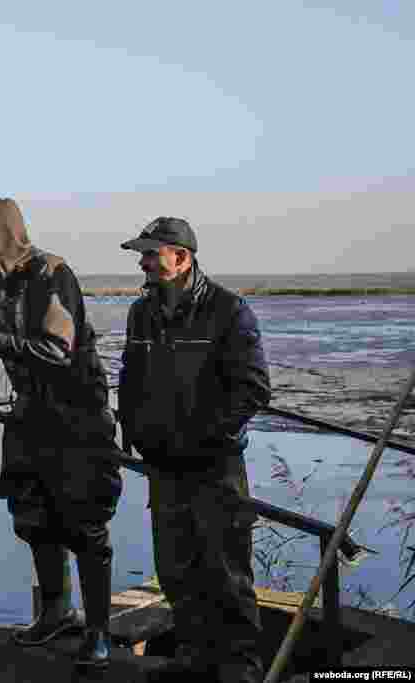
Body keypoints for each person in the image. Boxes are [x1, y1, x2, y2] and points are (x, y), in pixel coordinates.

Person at [0, 197, 123, 669]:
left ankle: (99, 632)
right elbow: (15, 341)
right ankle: (56, 612)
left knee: (85, 524)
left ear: (1, 238)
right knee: (32, 516)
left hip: (76, 422)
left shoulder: (53, 274)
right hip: (30, 419)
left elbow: (55, 350)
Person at [117, 217, 271, 682]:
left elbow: (252, 390)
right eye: (141, 254)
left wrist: (200, 438)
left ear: (181, 257)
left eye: (150, 254)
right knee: (176, 570)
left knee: (226, 573)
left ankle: (241, 672)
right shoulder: (141, 312)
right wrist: (134, 429)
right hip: (163, 465)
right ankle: (192, 662)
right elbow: (130, 375)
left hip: (214, 466)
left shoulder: (229, 310)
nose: (142, 262)